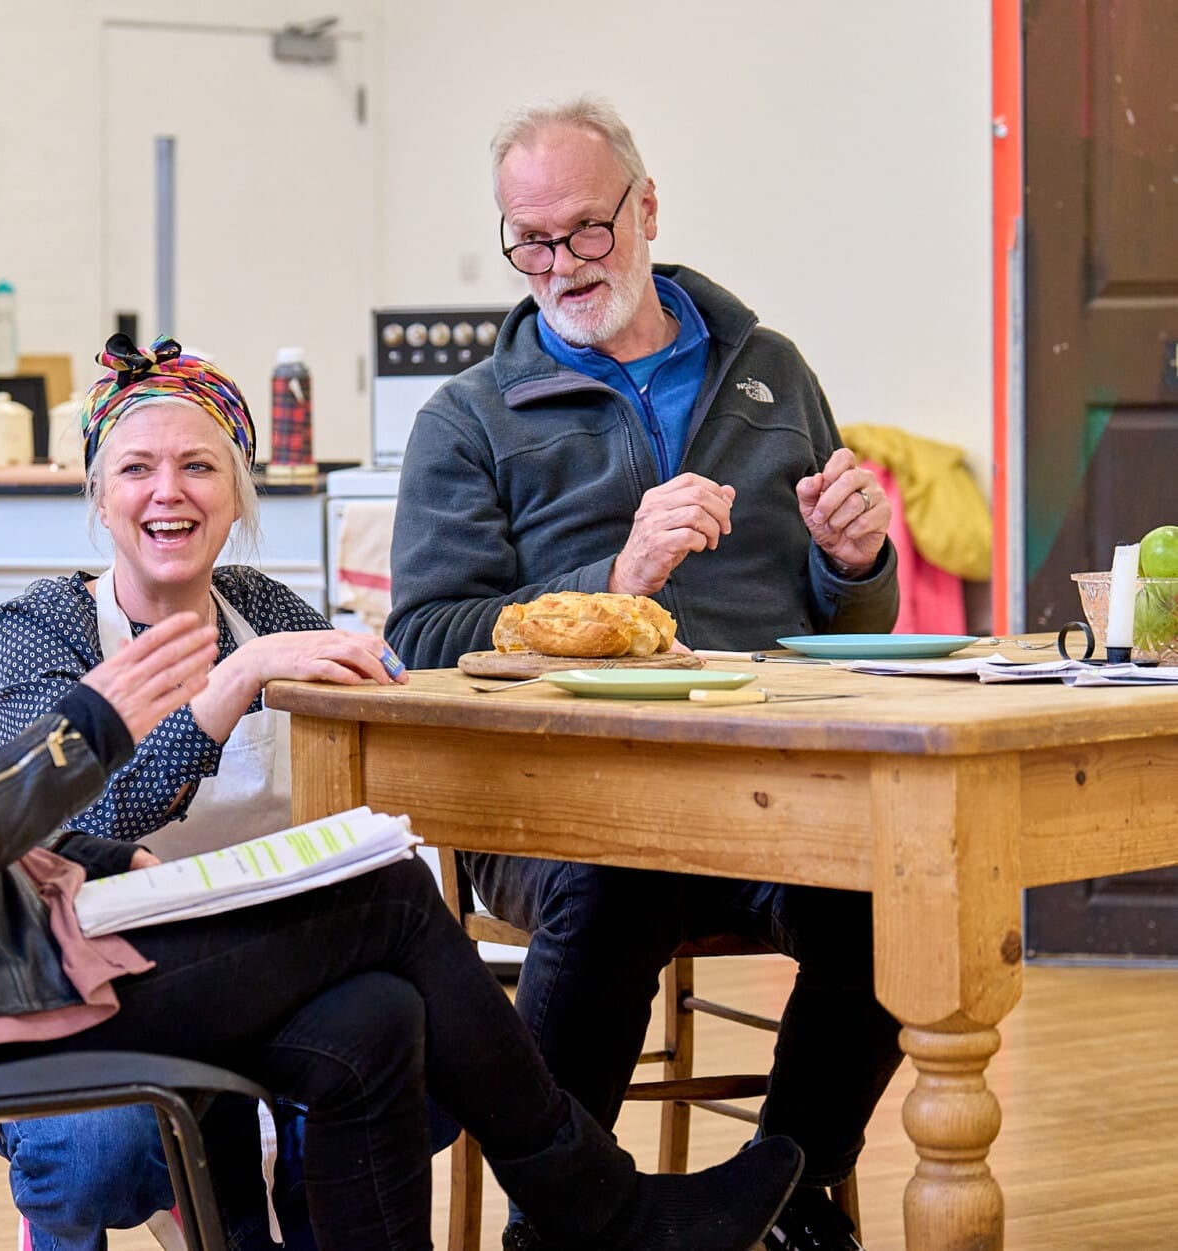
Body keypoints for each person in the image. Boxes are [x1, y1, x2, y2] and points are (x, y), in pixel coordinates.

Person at [0, 249, 806, 1251]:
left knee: (373, 1022)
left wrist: (86, 836)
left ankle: (583, 1204)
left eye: (197, 467)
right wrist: (92, 734)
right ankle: (595, 1211)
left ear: (237, 494)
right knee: (390, 905)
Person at [383, 98, 903, 1251]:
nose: (559, 265)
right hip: (553, 808)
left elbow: (856, 619)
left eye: (584, 230)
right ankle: (565, 1221)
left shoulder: (767, 369)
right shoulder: (467, 420)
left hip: (766, 793)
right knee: (611, 877)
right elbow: (423, 637)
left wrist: (854, 561)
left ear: (646, 207)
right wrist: (611, 580)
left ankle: (790, 1198)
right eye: (530, 241)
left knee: (896, 889)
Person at [0, 335, 419, 1250]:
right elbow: (71, 825)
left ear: (237, 496)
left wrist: (382, 664)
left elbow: (390, 701)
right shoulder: (43, 624)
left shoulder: (264, 607)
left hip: (259, 974)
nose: (167, 491)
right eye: (135, 468)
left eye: (198, 466)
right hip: (91, 986)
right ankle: (75, 1215)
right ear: (101, 498)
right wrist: (232, 684)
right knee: (96, 1153)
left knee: (406, 1048)